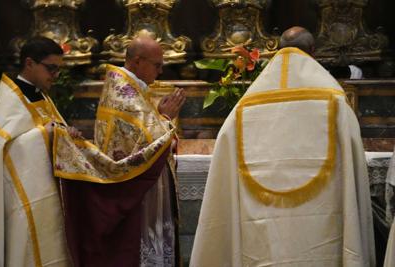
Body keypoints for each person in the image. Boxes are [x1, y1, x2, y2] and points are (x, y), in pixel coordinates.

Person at [190, 26, 375, 266]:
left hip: (260, 231)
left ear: (277, 50)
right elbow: (353, 161)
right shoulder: (335, 100)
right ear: (313, 51)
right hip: (321, 229)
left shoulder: (247, 105)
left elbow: (223, 160)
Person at [56, 36, 185, 266]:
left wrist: (161, 118)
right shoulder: (124, 94)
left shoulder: (131, 89)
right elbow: (149, 141)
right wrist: (165, 118)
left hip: (145, 186)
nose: (161, 70)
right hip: (135, 190)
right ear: (137, 61)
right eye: (157, 64)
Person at [0, 36, 70, 266]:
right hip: (23, 200)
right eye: (51, 68)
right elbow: (2, 150)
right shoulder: (10, 99)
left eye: (58, 69)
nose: (55, 75)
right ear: (29, 63)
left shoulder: (41, 95)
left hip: (48, 192)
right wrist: (43, 135)